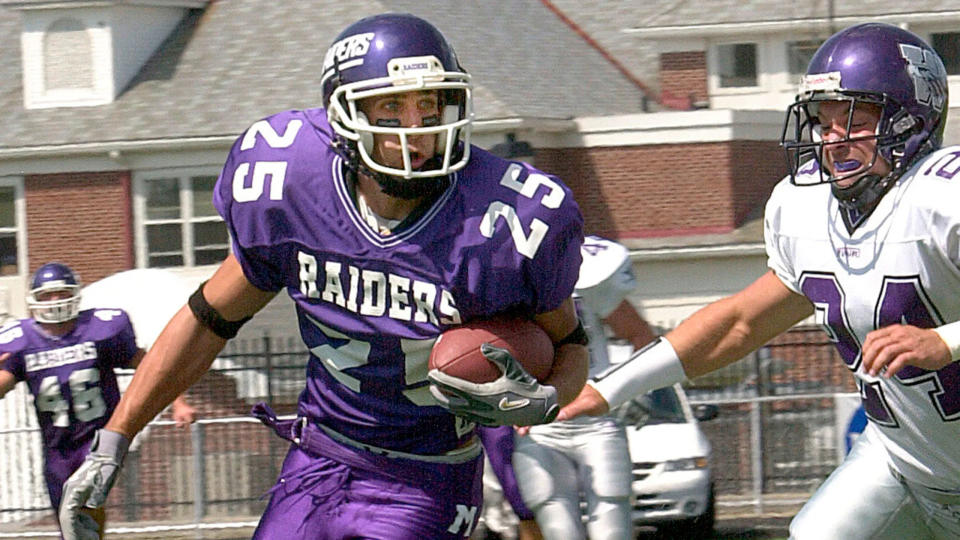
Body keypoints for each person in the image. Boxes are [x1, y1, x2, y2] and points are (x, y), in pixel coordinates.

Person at [58, 12, 588, 540]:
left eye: (429, 104)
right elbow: (208, 318)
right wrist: (114, 439)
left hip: (427, 479)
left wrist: (546, 401)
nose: (416, 129)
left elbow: (571, 346)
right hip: (317, 456)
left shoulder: (505, 219)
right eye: (390, 107)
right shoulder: (291, 182)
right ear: (343, 117)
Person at [557, 22, 960, 539]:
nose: (834, 141)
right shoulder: (807, 209)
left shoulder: (941, 198)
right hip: (905, 462)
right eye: (824, 122)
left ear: (910, 120)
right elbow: (740, 322)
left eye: (854, 120)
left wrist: (942, 341)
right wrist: (605, 389)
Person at [0, 262, 196, 538]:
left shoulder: (100, 328)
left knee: (81, 510)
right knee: (69, 525)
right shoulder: (23, 340)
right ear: (35, 299)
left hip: (100, 440)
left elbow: (150, 367)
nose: (55, 301)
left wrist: (178, 401)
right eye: (47, 295)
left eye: (61, 293)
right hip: (57, 446)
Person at [507, 236, 654, 540]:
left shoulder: (588, 279)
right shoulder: (504, 288)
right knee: (560, 531)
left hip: (596, 420)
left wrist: (631, 392)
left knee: (613, 528)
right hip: (541, 425)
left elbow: (642, 337)